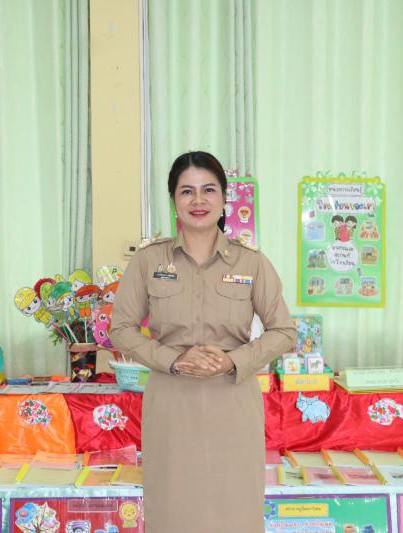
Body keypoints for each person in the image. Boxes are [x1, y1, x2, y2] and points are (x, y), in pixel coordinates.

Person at [110, 151, 296, 532]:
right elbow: (121, 328)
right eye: (187, 191)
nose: (199, 200)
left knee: (235, 511)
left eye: (209, 190)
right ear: (173, 200)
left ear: (224, 198)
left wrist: (234, 360)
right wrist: (173, 359)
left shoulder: (251, 263)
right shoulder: (149, 261)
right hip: (171, 405)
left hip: (233, 405)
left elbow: (284, 331)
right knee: (173, 509)